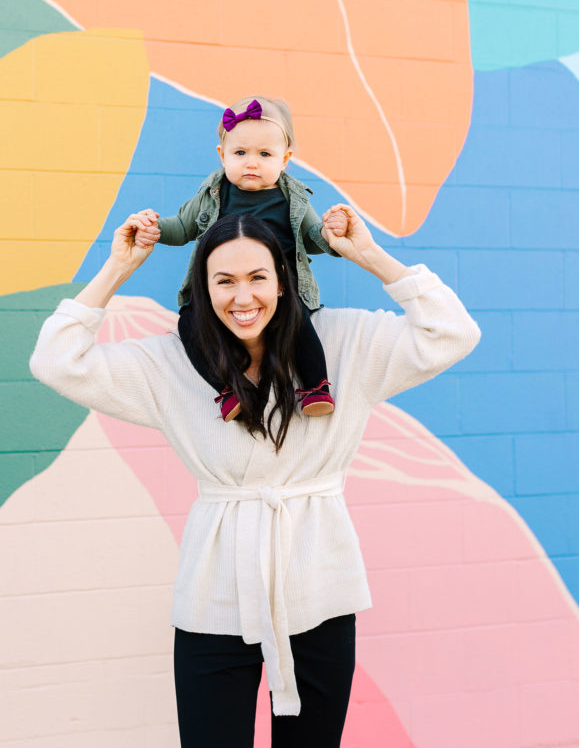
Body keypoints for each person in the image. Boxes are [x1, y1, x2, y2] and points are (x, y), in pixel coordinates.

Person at [29, 206, 480, 748]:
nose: (243, 297)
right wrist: (116, 270)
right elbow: (55, 362)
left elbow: (452, 332)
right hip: (214, 592)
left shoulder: (344, 342)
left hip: (320, 585)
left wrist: (369, 256)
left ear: (284, 281)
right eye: (224, 281)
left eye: (257, 277)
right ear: (203, 289)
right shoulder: (169, 362)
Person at [129, 95, 349, 421]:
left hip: (279, 290)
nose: (251, 163)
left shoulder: (292, 199)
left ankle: (315, 386)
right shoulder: (213, 193)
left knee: (298, 323)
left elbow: (313, 238)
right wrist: (155, 228)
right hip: (224, 290)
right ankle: (228, 389)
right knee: (189, 323)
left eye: (265, 154)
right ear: (223, 155)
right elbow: (182, 228)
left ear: (285, 159)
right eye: (240, 153)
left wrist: (333, 233)